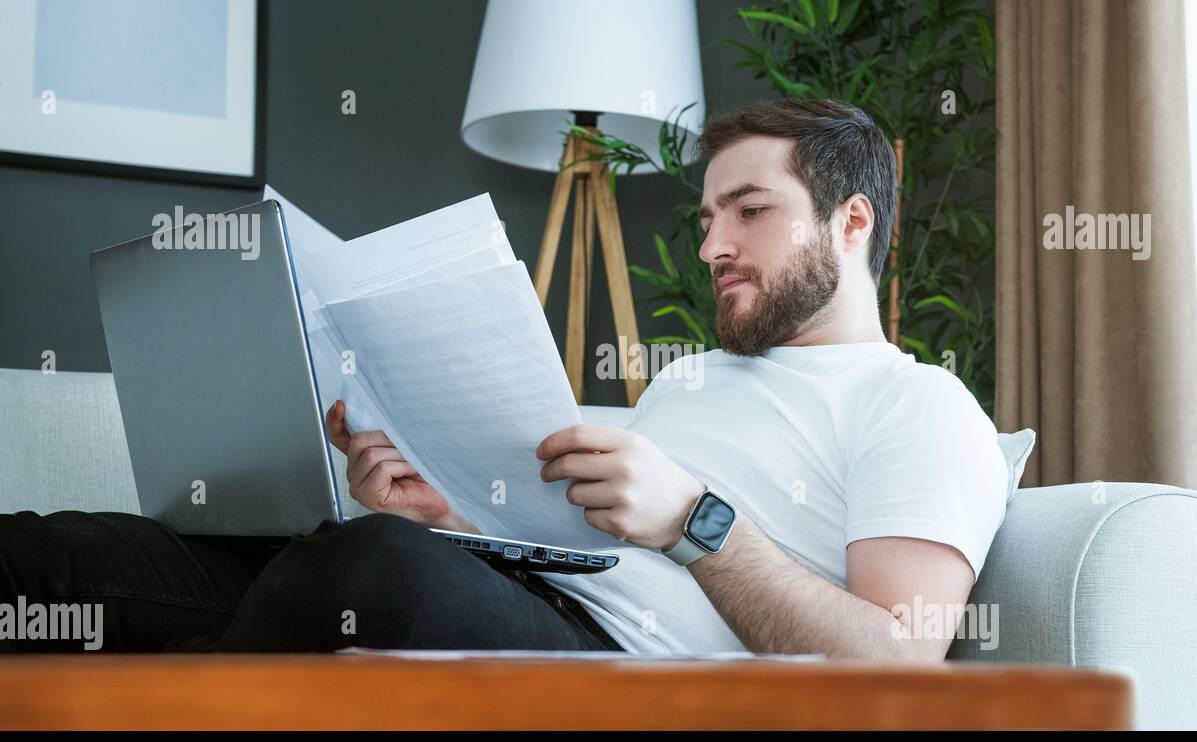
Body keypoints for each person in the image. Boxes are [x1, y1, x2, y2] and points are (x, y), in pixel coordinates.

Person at [0, 99, 1006, 658]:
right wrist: (447, 510)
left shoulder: (918, 404)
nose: (710, 244)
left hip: (606, 662)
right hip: (499, 586)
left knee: (369, 570)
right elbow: (573, 547)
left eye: (748, 210)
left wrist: (696, 516)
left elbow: (897, 662)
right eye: (704, 218)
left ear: (852, 221)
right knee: (65, 554)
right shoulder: (690, 382)